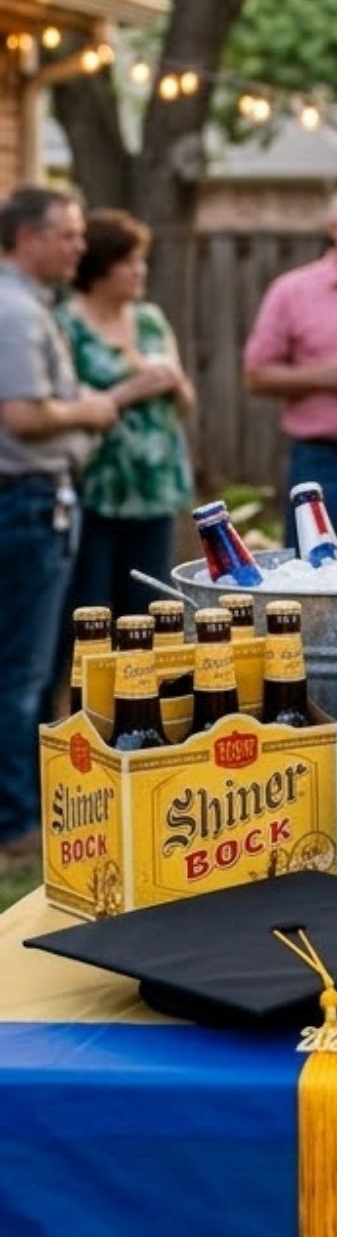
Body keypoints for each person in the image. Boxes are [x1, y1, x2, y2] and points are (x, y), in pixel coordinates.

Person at [0, 188, 118, 859]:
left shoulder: (28, 305)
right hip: (24, 501)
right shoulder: (16, 313)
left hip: (36, 498)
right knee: (22, 673)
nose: (79, 246)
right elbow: (22, 415)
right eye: (67, 235)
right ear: (26, 237)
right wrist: (91, 412)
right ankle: (15, 823)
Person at [56, 210, 196, 621]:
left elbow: (184, 404)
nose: (140, 270)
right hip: (99, 488)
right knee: (90, 610)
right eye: (129, 261)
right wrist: (130, 390)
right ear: (100, 265)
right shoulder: (67, 323)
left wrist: (174, 382)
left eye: (142, 260)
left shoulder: (150, 320)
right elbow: (65, 403)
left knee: (150, 612)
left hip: (155, 488)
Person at [242, 181, 337, 533]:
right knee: (310, 570)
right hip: (322, 459)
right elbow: (256, 374)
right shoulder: (293, 291)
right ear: (335, 228)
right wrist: (329, 377)